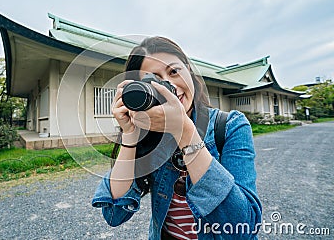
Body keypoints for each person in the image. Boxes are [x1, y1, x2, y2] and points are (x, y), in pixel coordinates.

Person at [92, 36, 262, 239]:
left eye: (174, 72)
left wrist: (184, 131)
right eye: (154, 80)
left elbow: (243, 228)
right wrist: (131, 135)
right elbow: (114, 214)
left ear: (189, 70)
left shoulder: (230, 126)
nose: (169, 86)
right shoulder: (149, 135)